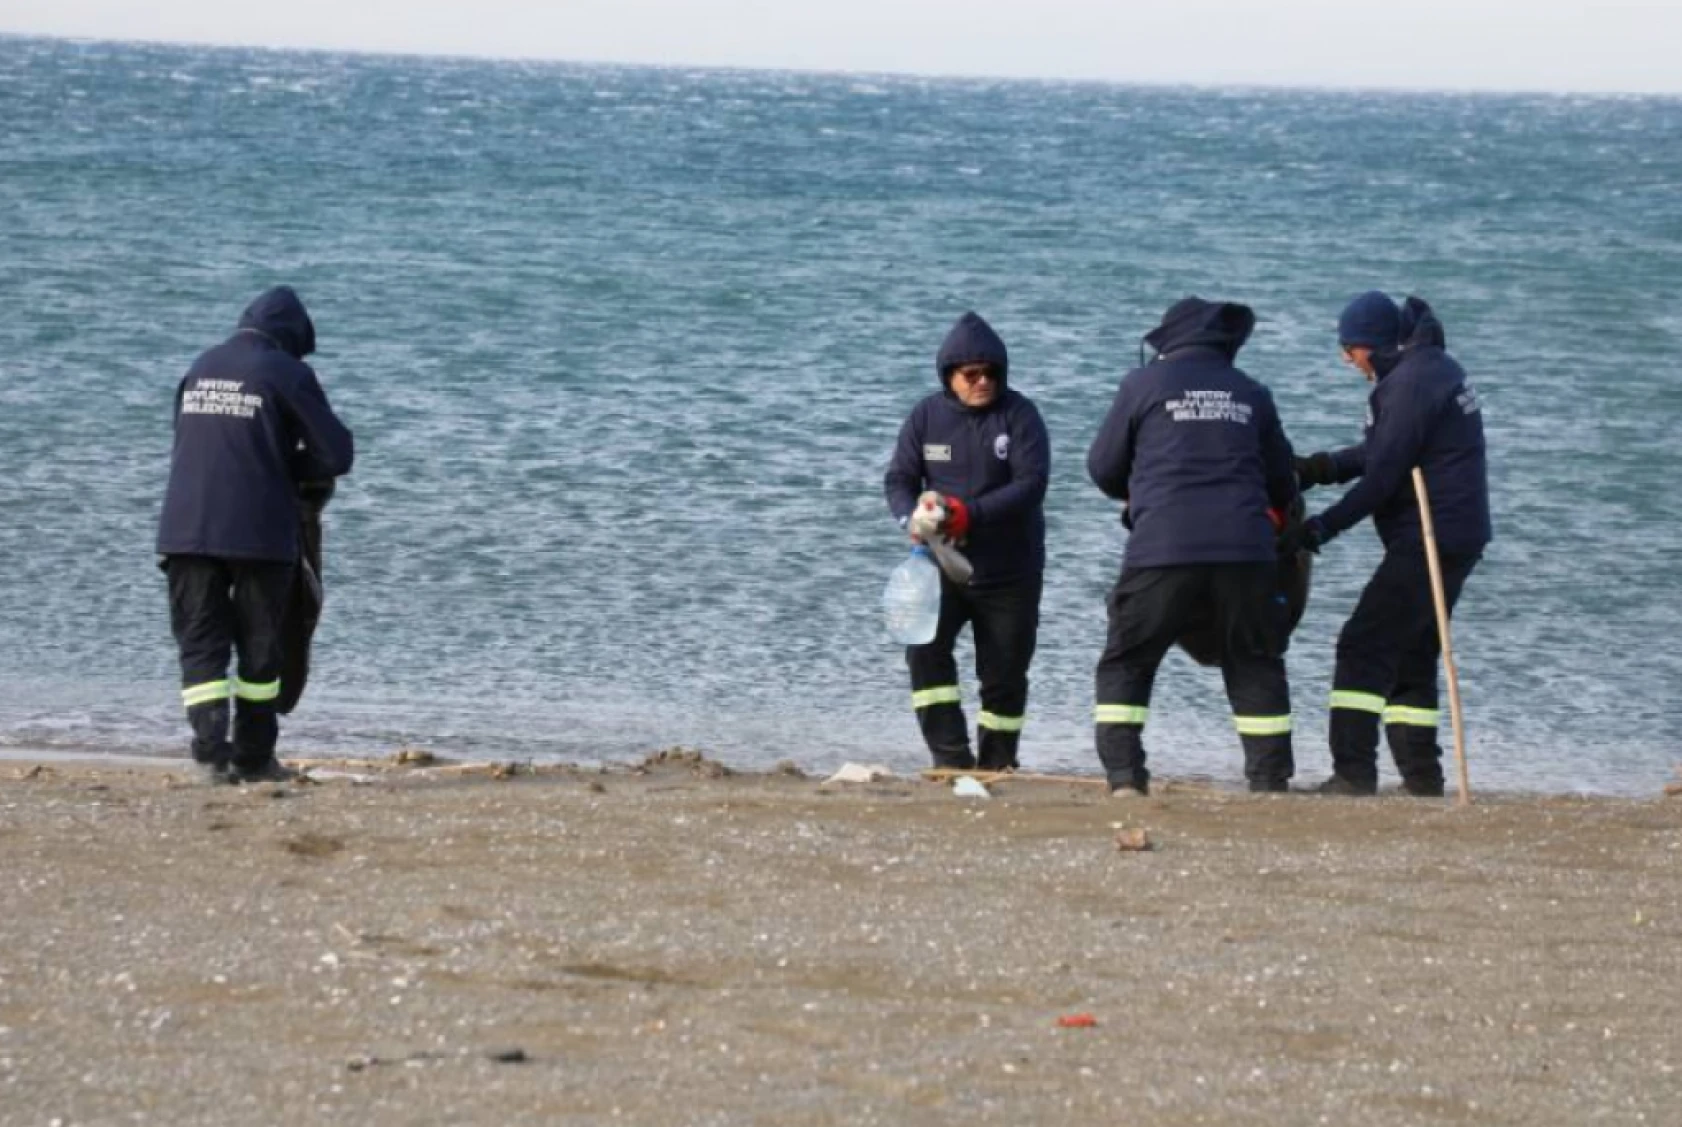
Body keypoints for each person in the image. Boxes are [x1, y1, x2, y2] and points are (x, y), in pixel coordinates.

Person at [1087, 297, 1300, 796]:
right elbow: (1281, 480)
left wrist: (1142, 491)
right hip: (1246, 553)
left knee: (1129, 660)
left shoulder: (1141, 385)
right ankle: (1269, 784)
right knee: (1254, 661)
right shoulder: (1252, 392)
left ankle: (1125, 779)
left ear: (1168, 341)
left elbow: (1102, 469)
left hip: (1162, 548)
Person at [1292, 292, 1490, 796]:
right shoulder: (1428, 368)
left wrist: (1322, 528)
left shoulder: (1411, 384)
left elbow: (1382, 477)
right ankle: (1422, 779)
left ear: (1372, 345)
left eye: (1350, 349)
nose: (1347, 360)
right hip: (1456, 533)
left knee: (1363, 644)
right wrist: (1321, 468)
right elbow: (1386, 451)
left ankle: (1353, 774)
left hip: (1431, 536)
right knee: (1411, 653)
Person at [156, 286, 355, 783]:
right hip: (259, 533)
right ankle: (253, 759)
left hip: (186, 529)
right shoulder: (287, 372)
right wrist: (292, 466)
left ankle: (208, 758)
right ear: (292, 337)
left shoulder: (201, 365)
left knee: (200, 644)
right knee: (260, 651)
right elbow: (337, 455)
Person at [884, 311, 1050, 772]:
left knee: (1004, 676)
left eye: (991, 373)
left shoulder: (1019, 415)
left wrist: (968, 514)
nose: (983, 382)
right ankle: (950, 758)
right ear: (950, 377)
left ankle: (998, 765)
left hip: (1010, 570)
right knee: (925, 655)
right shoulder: (926, 416)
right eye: (971, 374)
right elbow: (899, 477)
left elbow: (1032, 483)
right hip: (941, 567)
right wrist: (908, 518)